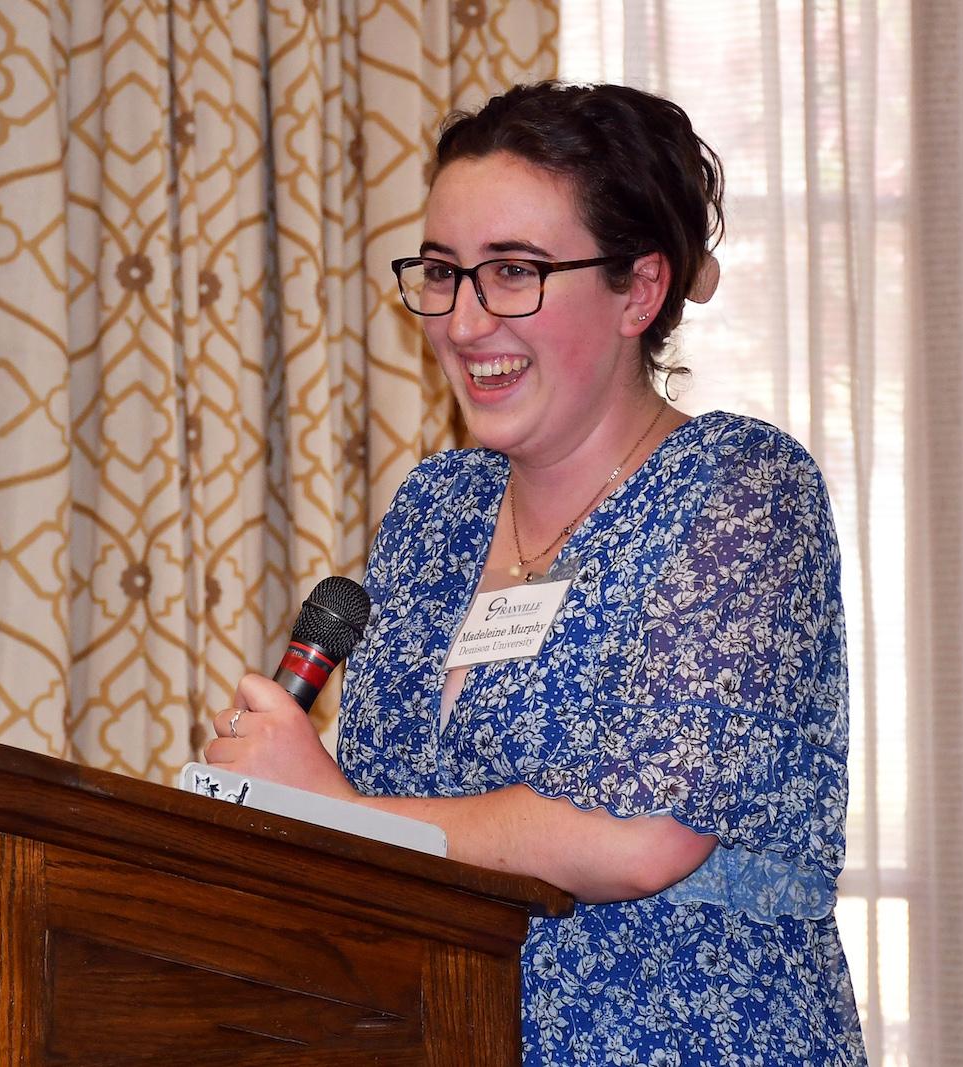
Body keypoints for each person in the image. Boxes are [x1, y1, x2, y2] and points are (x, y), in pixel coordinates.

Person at [208, 81, 866, 1066]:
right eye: (442, 272)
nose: (466, 322)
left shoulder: (741, 489)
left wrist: (332, 808)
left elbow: (642, 838)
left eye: (513, 271)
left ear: (638, 290)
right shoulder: (437, 515)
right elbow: (406, 833)